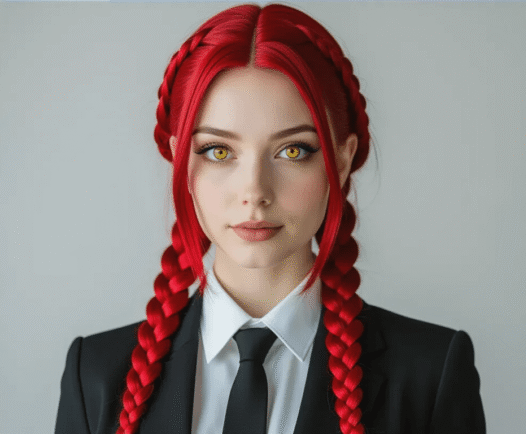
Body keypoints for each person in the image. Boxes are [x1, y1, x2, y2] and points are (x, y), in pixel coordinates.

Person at [54, 4, 485, 434]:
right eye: (218, 151)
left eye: (292, 150)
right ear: (181, 162)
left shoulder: (430, 375)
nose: (255, 192)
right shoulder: (94, 374)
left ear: (341, 159)